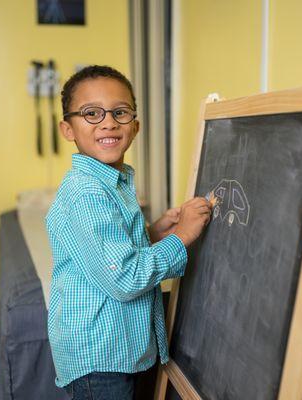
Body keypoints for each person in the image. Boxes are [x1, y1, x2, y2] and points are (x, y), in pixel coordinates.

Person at [45, 65, 212, 400]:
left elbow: (113, 252)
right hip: (101, 358)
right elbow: (123, 278)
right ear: (67, 129)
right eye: (91, 113)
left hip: (119, 350)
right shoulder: (87, 193)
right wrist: (183, 236)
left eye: (120, 112)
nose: (108, 122)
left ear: (135, 127)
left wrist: (156, 232)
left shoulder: (114, 182)